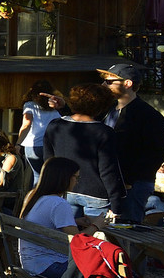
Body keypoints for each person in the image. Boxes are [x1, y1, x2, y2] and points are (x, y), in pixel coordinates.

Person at [43, 84, 124, 221]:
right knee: (94, 239)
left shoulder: (55, 126)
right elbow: (108, 170)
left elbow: (48, 161)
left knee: (67, 236)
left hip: (64, 189)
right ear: (102, 106)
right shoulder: (104, 132)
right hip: (96, 192)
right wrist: (117, 204)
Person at [101, 62, 164, 224]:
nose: (103, 85)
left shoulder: (149, 116)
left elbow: (156, 153)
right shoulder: (107, 110)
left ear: (128, 83)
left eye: (109, 82)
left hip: (133, 185)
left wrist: (130, 180)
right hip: (111, 182)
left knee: (127, 230)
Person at [19, 157, 109, 278]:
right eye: (76, 177)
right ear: (65, 178)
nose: (77, 181)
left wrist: (75, 221)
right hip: (50, 265)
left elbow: (45, 221)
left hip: (31, 262)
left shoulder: (34, 196)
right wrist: (97, 225)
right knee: (108, 270)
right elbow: (78, 241)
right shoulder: (58, 203)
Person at [19, 81, 64, 175]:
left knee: (37, 176)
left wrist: (18, 143)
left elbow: (26, 124)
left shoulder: (30, 105)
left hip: (33, 144)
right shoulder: (56, 106)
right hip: (53, 145)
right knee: (51, 175)